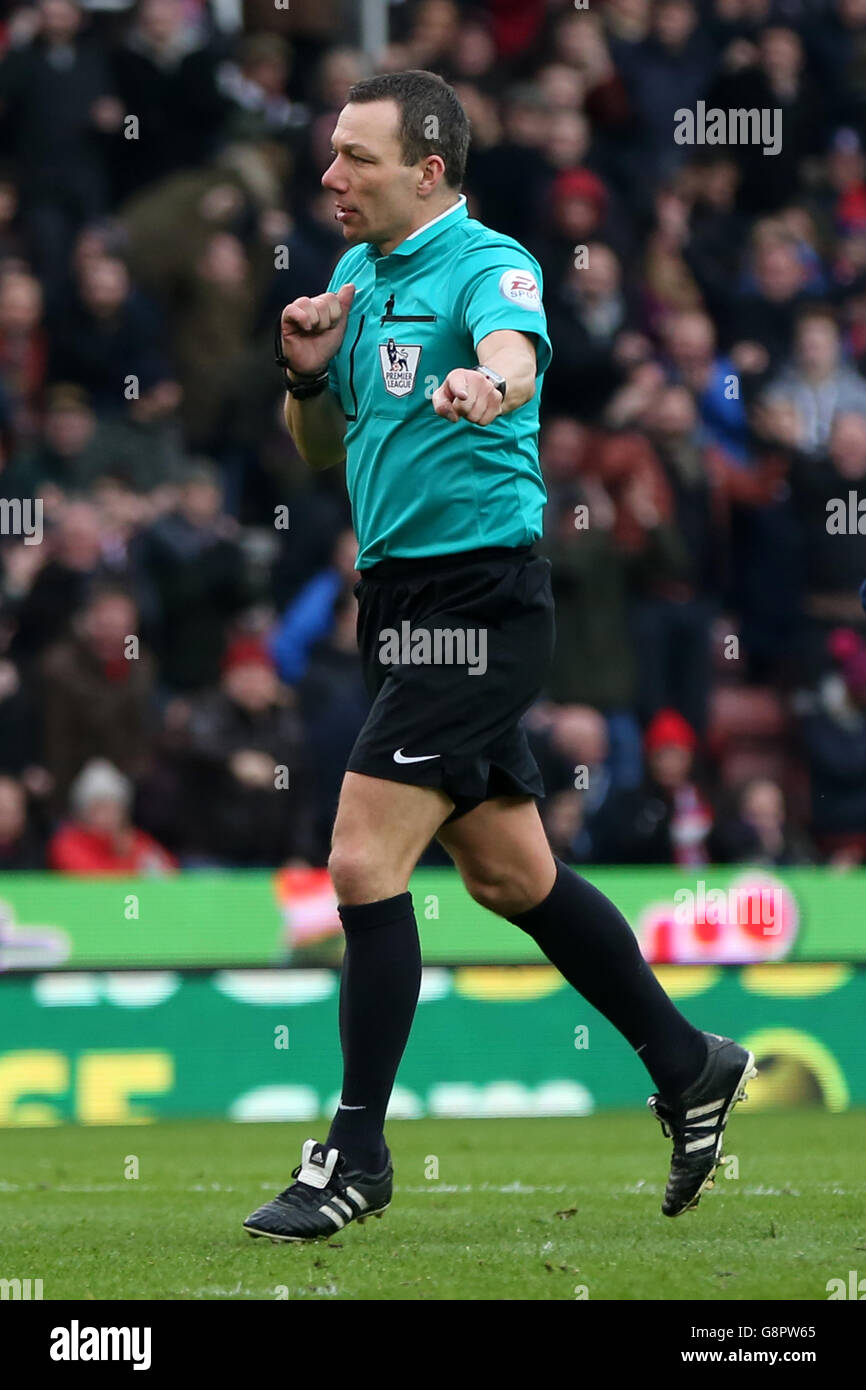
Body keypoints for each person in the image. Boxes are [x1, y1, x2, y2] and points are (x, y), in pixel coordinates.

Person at [243, 70, 756, 1245]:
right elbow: (320, 451)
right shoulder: (357, 279)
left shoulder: (488, 263)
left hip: (478, 600)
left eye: (355, 159)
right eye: (330, 154)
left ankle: (353, 1153)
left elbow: (519, 351)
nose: (330, 176)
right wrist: (304, 368)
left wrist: (490, 381)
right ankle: (686, 1062)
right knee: (510, 878)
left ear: (427, 171)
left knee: (361, 858)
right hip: (400, 602)